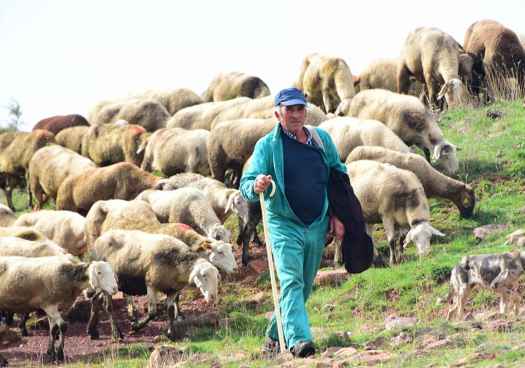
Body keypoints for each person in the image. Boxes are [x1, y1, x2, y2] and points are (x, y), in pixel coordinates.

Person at [239, 87, 346, 358]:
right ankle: (300, 341)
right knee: (291, 282)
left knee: (304, 286)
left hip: (317, 223)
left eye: (300, 108)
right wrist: (257, 185)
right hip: (284, 223)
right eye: (290, 109)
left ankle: (273, 337)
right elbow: (246, 183)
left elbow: (337, 175)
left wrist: (338, 214)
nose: (296, 114)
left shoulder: (321, 139)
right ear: (278, 113)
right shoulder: (267, 146)